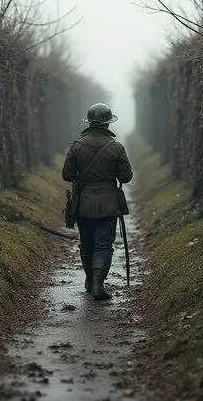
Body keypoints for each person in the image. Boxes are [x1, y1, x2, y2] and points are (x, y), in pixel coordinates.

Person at [62, 103, 133, 300]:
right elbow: (126, 177)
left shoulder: (76, 146)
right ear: (107, 124)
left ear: (90, 123)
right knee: (103, 245)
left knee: (86, 244)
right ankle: (98, 283)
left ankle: (90, 279)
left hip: (84, 204)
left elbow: (67, 175)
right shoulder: (116, 147)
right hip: (109, 204)